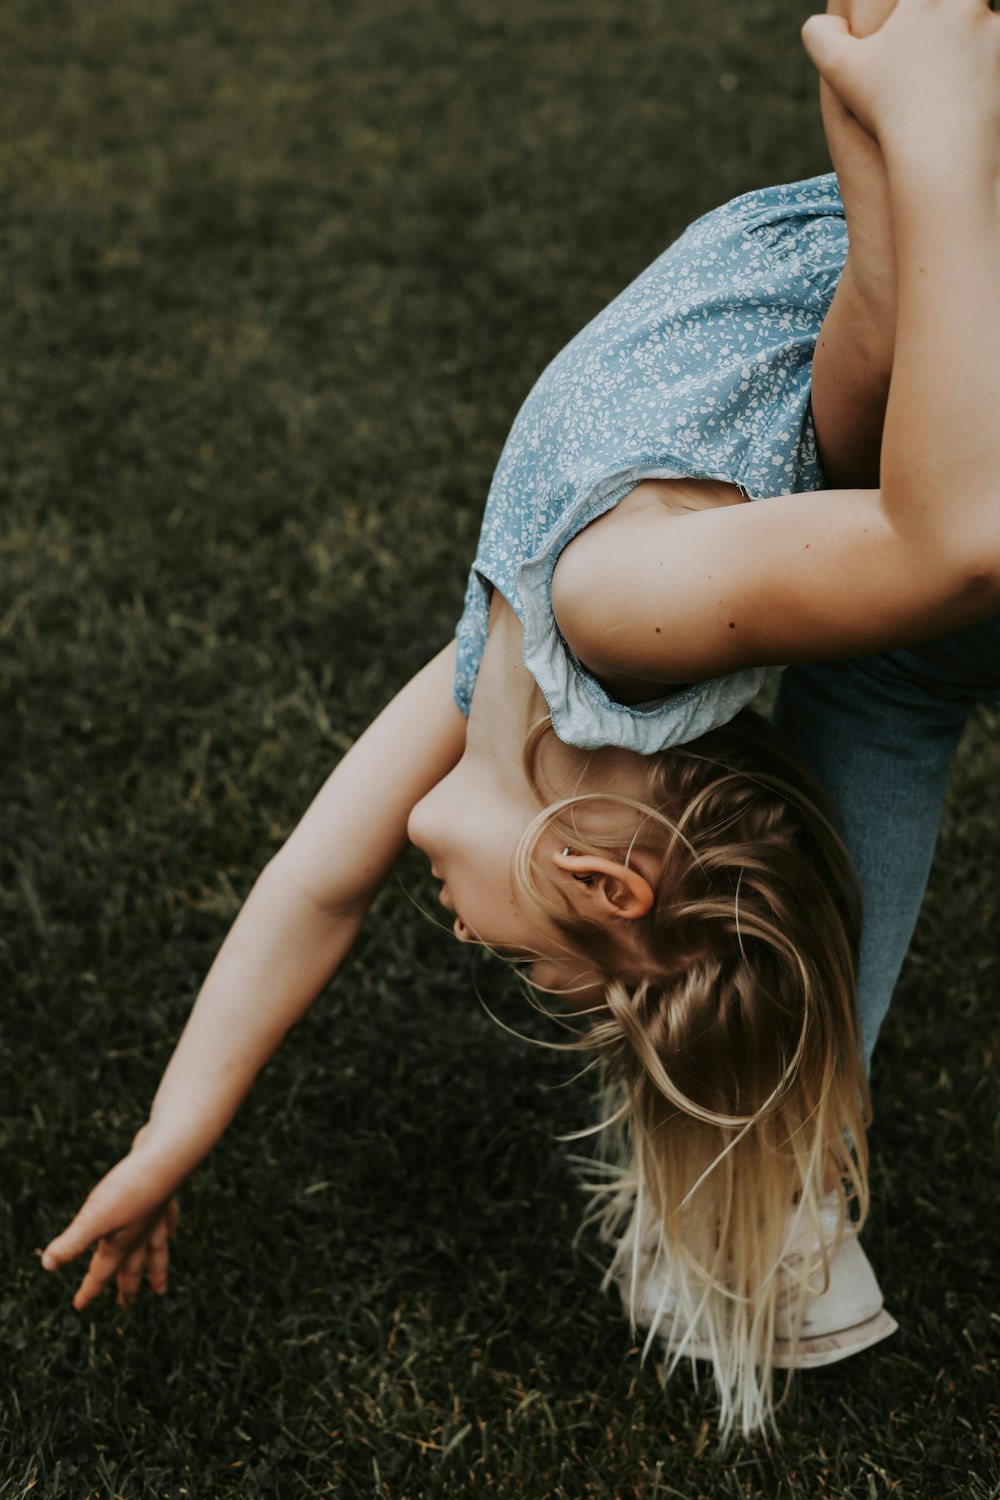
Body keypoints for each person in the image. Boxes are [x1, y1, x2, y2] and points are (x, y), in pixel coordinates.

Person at [38, 0, 1000, 1439]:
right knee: (903, 636)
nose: (501, 966)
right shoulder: (615, 609)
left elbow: (316, 883)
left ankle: (761, 1201)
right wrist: (931, 124)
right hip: (959, 388)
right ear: (595, 873)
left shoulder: (500, 670)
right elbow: (962, 543)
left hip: (911, 315)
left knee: (891, 633)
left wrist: (174, 1133)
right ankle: (761, 1199)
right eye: (564, 974)